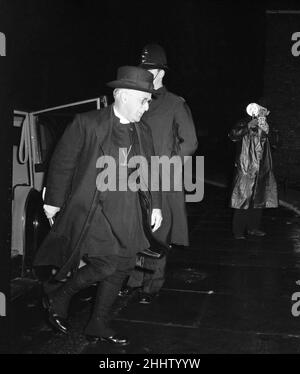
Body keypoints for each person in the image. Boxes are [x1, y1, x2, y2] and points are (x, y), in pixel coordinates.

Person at [33, 66, 162, 346]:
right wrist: (53, 202)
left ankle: (98, 323)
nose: (148, 105)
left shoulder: (144, 131)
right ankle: (58, 295)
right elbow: (63, 163)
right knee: (106, 263)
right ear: (123, 96)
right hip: (95, 208)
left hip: (128, 208)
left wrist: (156, 206)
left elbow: (151, 171)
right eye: (144, 99)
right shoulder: (87, 123)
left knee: (124, 264)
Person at [121, 43, 198, 303]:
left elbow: (190, 142)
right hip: (133, 177)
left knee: (158, 233)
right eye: (141, 68)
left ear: (161, 73)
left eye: (149, 69)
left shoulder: (174, 103)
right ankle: (133, 280)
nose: (144, 73)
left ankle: (151, 286)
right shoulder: (134, 99)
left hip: (162, 179)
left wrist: (168, 166)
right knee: (135, 230)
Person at [229, 102, 278, 239]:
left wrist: (269, 131)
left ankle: (253, 228)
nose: (260, 112)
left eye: (263, 110)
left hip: (262, 168)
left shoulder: (267, 124)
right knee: (242, 199)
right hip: (245, 167)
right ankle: (238, 231)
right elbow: (233, 135)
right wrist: (247, 126)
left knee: (259, 198)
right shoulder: (243, 122)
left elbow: (277, 143)